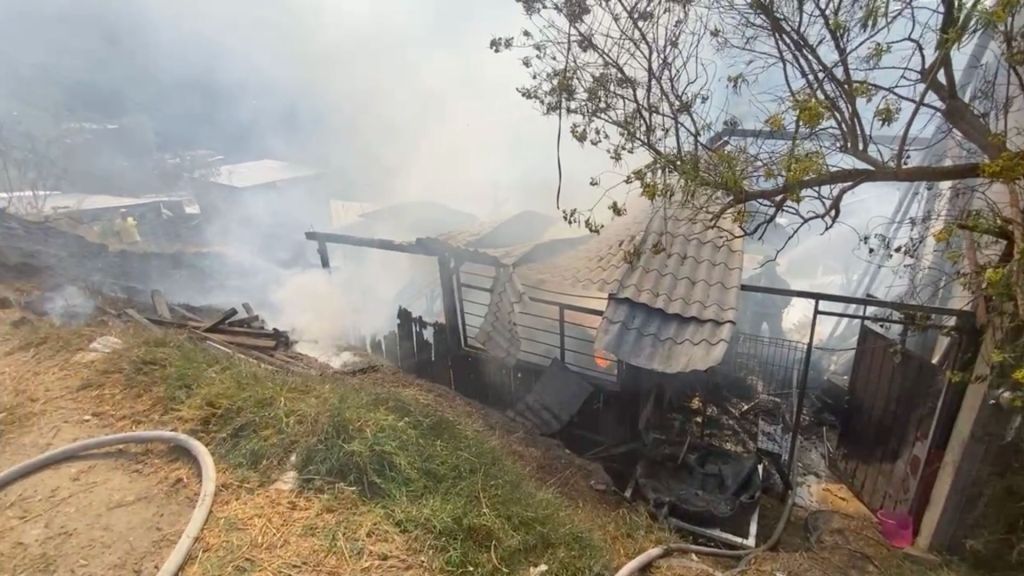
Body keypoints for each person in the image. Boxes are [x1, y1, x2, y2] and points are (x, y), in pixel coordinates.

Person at [739, 259, 792, 339]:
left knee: (775, 336)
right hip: (755, 311)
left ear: (774, 268)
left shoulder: (781, 282)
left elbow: (787, 299)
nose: (767, 269)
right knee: (752, 335)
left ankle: (773, 347)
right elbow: (743, 293)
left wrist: (776, 298)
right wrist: (745, 307)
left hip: (773, 313)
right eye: (766, 266)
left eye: (770, 267)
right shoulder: (753, 278)